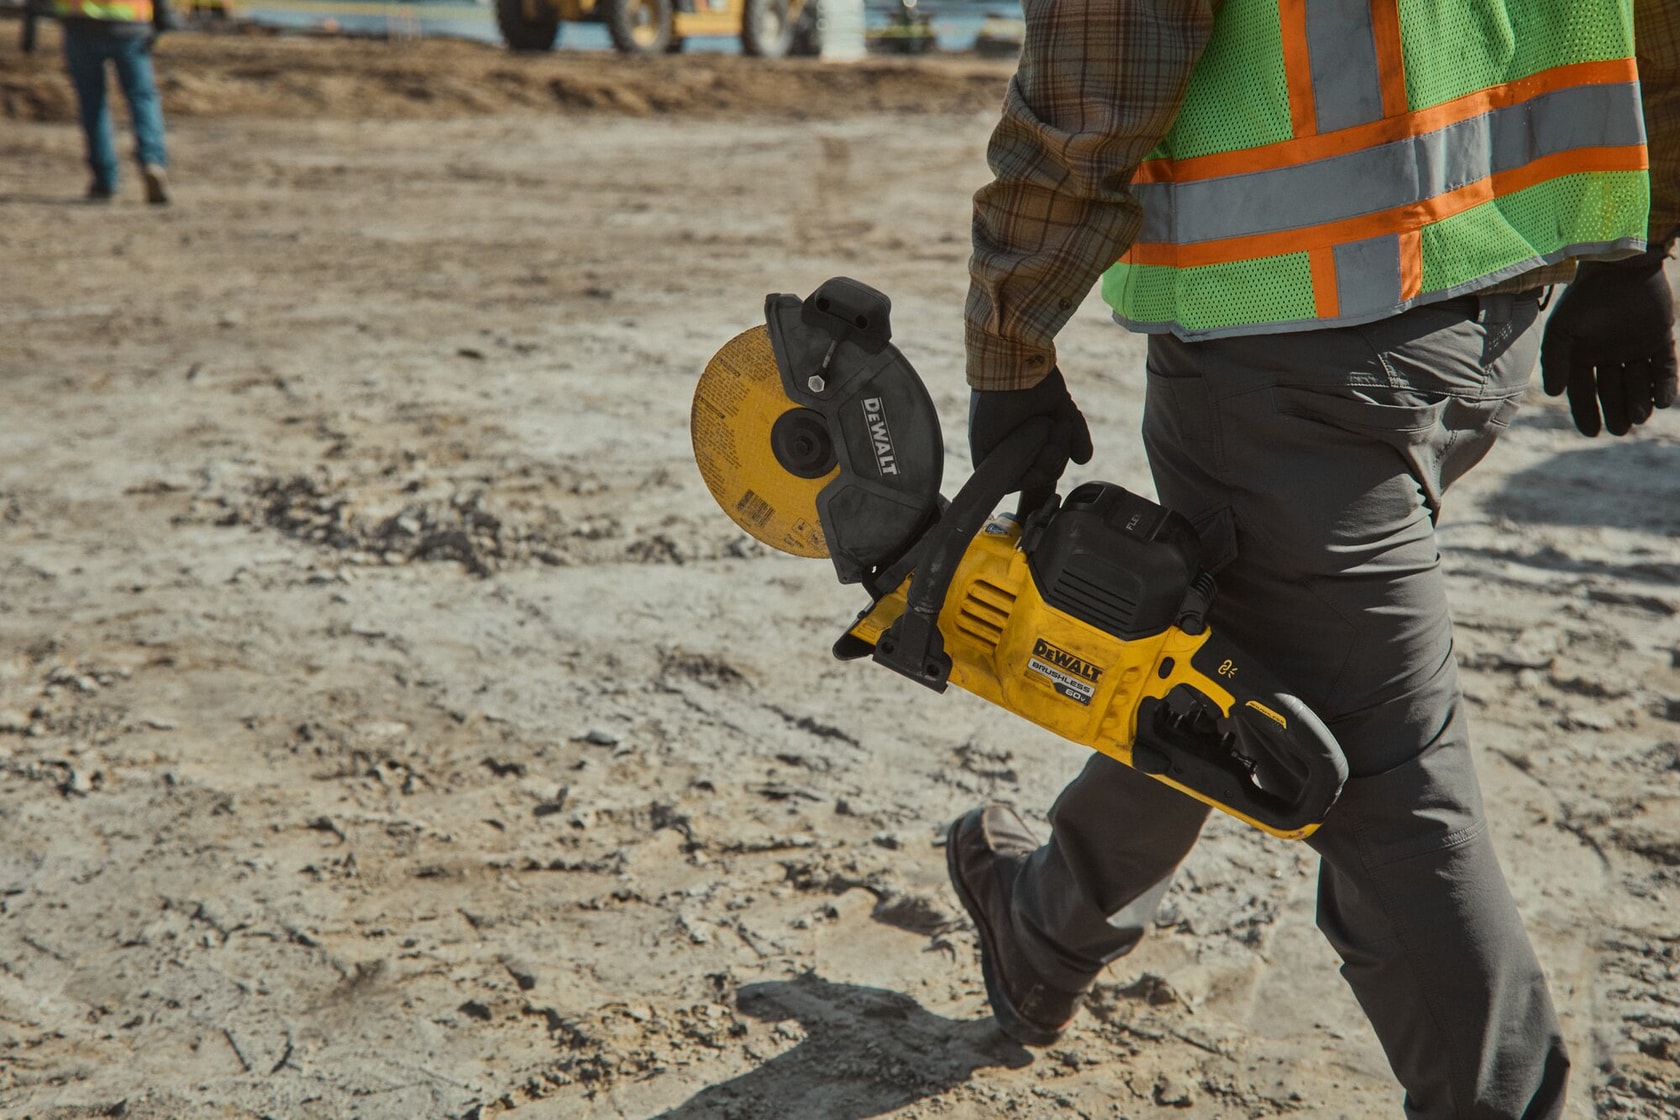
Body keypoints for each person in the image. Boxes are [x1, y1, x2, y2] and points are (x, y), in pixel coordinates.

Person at [944, 1, 1677, 1116]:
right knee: (1255, 646)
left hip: (1291, 326)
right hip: (1496, 290)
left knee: (1389, 790)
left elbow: (1110, 49)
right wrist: (1639, 240)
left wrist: (1009, 339)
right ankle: (1047, 925)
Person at [51, 0, 176, 204]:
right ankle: (152, 161)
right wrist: (163, 19)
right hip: (131, 25)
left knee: (92, 101)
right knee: (142, 97)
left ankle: (104, 178)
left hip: (80, 23)